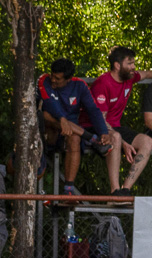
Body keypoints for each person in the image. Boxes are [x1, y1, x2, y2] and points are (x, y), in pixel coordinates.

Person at [89, 47, 152, 191]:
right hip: (96, 127)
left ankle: (125, 189)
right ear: (117, 65)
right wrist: (124, 143)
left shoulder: (129, 78)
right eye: (130, 63)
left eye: (134, 63)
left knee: (147, 141)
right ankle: (115, 191)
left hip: (115, 127)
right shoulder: (103, 83)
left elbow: (148, 73)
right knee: (117, 137)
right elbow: (100, 121)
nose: (134, 67)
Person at [37, 59, 110, 196]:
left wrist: (103, 132)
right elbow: (48, 102)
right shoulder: (43, 80)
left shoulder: (80, 85)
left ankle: (68, 190)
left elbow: (93, 109)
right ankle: (91, 138)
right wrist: (62, 119)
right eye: (52, 75)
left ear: (69, 79)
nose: (53, 80)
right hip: (49, 131)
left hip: (71, 132)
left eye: (57, 78)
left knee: (75, 138)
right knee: (46, 114)